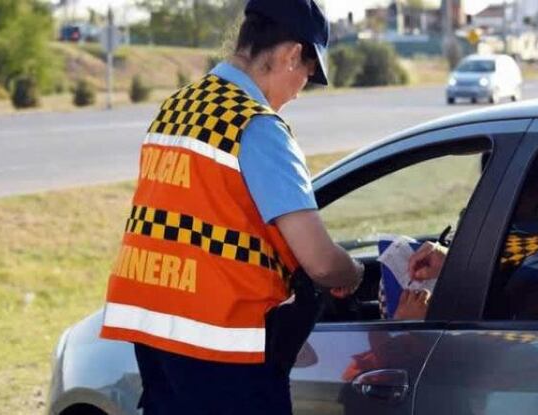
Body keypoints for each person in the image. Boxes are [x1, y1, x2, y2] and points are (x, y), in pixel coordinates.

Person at [99, 1, 363, 413]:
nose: (296, 93)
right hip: (226, 356)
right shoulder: (255, 127)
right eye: (306, 77)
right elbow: (322, 264)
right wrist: (356, 272)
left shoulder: (176, 108)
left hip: (159, 344)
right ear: (292, 54)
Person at [405, 161, 538, 321]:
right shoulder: (497, 241)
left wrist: (413, 327)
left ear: (537, 194)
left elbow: (514, 333)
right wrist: (452, 262)